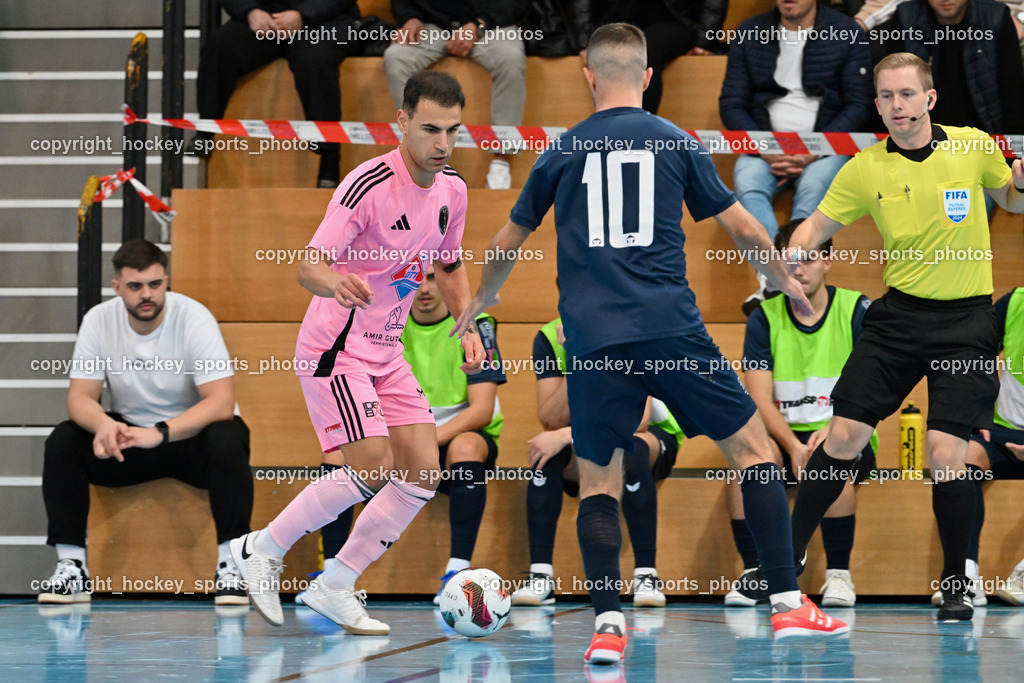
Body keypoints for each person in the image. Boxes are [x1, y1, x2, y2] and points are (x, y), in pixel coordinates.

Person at [454, 23, 849, 666]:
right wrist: (786, 285)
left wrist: (479, 303)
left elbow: (503, 245)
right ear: (645, 77)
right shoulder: (677, 142)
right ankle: (785, 604)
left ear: (587, 75)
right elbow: (745, 227)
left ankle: (608, 622)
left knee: (601, 479)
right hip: (670, 331)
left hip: (593, 341)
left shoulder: (560, 151)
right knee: (753, 452)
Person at [229, 70, 484, 634]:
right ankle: (261, 550)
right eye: (430, 129)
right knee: (371, 464)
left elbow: (449, 262)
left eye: (452, 131)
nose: (442, 144)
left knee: (421, 472)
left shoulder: (453, 191)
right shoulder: (367, 185)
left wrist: (467, 322)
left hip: (386, 353)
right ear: (401, 121)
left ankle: (335, 584)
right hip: (335, 348)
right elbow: (309, 264)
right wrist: (335, 281)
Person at [782, 52, 1024, 622]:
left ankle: (957, 579)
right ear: (878, 105)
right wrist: (789, 254)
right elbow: (819, 224)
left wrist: (1018, 185)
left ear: (930, 98)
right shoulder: (866, 168)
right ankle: (784, 555)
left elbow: (1011, 200)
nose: (898, 106)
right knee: (840, 435)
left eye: (908, 94)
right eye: (887, 97)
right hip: (898, 321)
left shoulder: (971, 145)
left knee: (947, 453)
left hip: (966, 324)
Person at [39, 240, 252, 606]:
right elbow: (79, 398)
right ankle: (71, 567)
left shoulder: (194, 316)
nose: (147, 295)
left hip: (187, 440)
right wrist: (103, 424)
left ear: (166, 280)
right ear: (117, 287)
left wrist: (161, 433)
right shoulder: (98, 320)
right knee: (63, 439)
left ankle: (231, 566)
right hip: (129, 442)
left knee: (229, 434)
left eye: (155, 284)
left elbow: (221, 401)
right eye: (136, 287)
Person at [306, 262, 506, 606]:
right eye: (417, 279)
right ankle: (330, 576)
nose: (425, 289)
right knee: (336, 454)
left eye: (433, 277)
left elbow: (481, 411)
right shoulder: (387, 326)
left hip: (453, 437)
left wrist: (423, 442)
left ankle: (457, 572)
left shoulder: (478, 326)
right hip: (402, 435)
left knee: (468, 445)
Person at [725, 220, 874, 609]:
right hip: (783, 435)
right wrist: (791, 445)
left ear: (828, 261)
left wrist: (831, 427)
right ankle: (755, 570)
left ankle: (838, 576)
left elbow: (871, 386)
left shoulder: (856, 309)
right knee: (746, 464)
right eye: (789, 261)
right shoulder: (765, 317)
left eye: (808, 258)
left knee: (832, 460)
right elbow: (758, 398)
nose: (798, 269)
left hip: (843, 430)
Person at [509, 317, 681, 608]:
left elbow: (638, 421)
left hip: (650, 435)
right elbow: (551, 418)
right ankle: (541, 576)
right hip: (589, 436)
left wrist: (566, 434)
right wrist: (577, 357)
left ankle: (646, 576)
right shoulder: (551, 337)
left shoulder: (634, 324)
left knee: (632, 450)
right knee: (545, 454)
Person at [720, 0, 873, 314]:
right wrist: (765, 147)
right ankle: (776, 281)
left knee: (815, 186)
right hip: (764, 147)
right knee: (746, 181)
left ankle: (786, 281)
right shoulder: (750, 32)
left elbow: (859, 105)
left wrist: (814, 148)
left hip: (824, 148)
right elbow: (731, 103)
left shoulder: (846, 32)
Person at [194, 0, 360, 187]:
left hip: (324, 22)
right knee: (220, 46)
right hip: (265, 19)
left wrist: (302, 15)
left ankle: (329, 162)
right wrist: (250, 11)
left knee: (315, 62)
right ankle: (205, 133)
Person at [384, 0, 527, 189]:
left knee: (511, 59)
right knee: (396, 58)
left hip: (491, 24)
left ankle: (501, 162)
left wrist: (479, 25)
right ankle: (420, 157)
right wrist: (409, 17)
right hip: (432, 25)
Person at [944, 286, 1024, 606]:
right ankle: (964, 574)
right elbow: (977, 351)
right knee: (962, 457)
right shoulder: (1016, 302)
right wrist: (978, 414)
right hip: (1003, 435)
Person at [874, 0, 1024, 144]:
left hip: (985, 139)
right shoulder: (905, 17)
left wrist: (1013, 152)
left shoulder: (996, 16)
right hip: (920, 140)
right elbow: (888, 85)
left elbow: (1013, 91)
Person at [570, 0, 727, 113]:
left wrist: (706, 39)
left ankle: (640, 131)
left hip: (677, 19)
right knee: (607, 52)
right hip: (618, 17)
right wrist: (586, 41)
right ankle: (610, 126)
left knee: (644, 52)